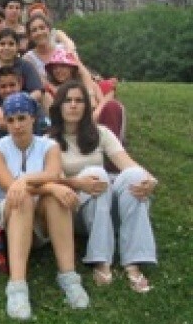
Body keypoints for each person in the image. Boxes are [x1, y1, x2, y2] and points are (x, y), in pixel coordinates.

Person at [0, 92, 89, 320]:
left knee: (56, 198)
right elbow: (9, 186)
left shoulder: (49, 145)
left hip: (39, 212)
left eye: (22, 117)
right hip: (7, 211)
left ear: (33, 117)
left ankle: (69, 277)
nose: (16, 125)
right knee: (24, 196)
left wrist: (29, 181)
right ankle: (17, 286)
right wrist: (50, 187)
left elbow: (52, 173)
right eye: (10, 119)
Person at [48, 81, 157, 293]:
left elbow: (127, 163)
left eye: (79, 101)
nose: (73, 105)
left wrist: (150, 180)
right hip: (76, 210)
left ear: (86, 107)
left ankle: (133, 264)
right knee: (96, 173)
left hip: (105, 204)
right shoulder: (49, 141)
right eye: (67, 100)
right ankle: (101, 260)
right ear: (59, 106)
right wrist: (78, 183)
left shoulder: (101, 133)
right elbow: (52, 181)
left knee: (133, 175)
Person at [0, 27, 43, 118]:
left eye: (11, 44)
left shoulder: (26, 67)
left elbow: (37, 92)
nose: (6, 48)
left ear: (17, 47)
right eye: (2, 44)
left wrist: (18, 105)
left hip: (25, 113)